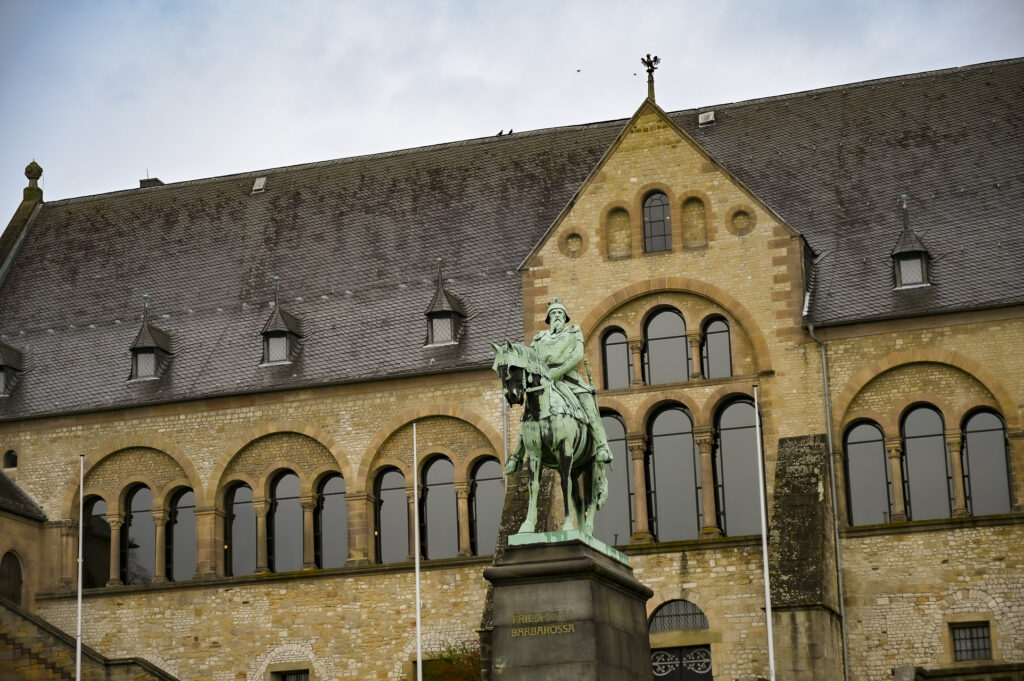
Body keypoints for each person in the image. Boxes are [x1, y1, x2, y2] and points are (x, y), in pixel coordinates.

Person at [527, 298, 613, 464]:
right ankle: (519, 452)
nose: (557, 315)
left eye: (560, 313)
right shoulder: (539, 338)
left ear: (565, 317)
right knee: (529, 411)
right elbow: (531, 358)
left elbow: (577, 355)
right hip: (544, 381)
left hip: (569, 379)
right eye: (553, 313)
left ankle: (602, 446)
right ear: (549, 318)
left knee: (588, 404)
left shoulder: (573, 332)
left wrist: (558, 372)